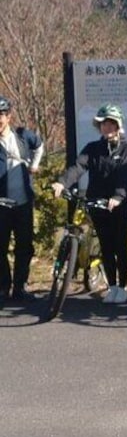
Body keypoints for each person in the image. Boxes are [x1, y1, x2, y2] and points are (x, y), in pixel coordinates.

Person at [52, 104, 127, 304]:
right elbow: (78, 167)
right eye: (103, 124)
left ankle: (123, 286)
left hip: (120, 206)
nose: (106, 127)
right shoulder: (93, 148)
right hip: (97, 204)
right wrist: (62, 183)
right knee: (106, 246)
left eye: (110, 124)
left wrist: (117, 196)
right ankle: (112, 286)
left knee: (120, 246)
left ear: (118, 125)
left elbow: (125, 176)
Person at [0, 95, 44, 302]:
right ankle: (3, 287)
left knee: (24, 246)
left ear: (8, 116)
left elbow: (40, 145)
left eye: (1, 115)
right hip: (1, 204)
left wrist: (34, 165)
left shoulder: (22, 136)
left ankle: (20, 287)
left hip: (23, 202)